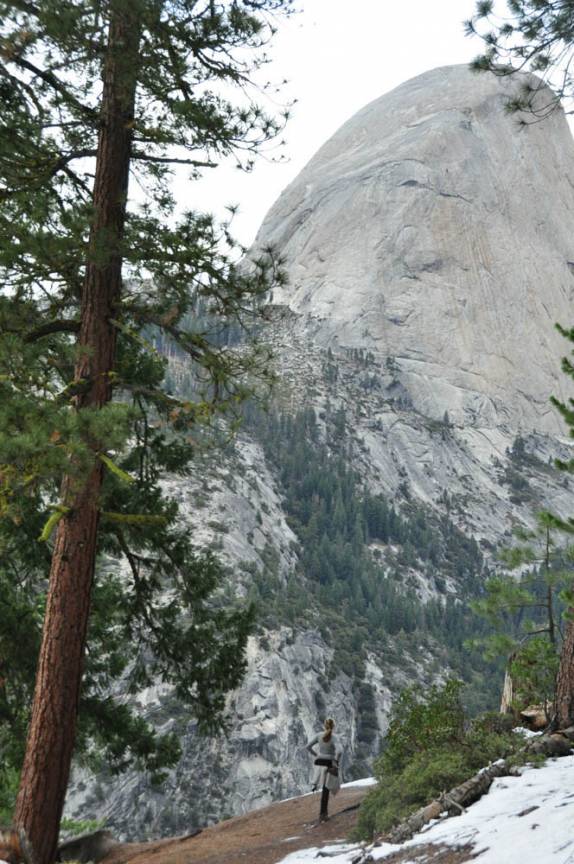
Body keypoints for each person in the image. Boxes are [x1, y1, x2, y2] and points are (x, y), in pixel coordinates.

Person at [306, 717, 341, 822]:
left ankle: (323, 813)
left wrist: (317, 755)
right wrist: (336, 762)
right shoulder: (334, 737)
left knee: (324, 790)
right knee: (326, 789)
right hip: (329, 763)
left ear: (324, 726)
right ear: (333, 726)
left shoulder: (318, 735)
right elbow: (339, 751)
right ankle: (323, 814)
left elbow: (307, 746)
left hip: (320, 762)